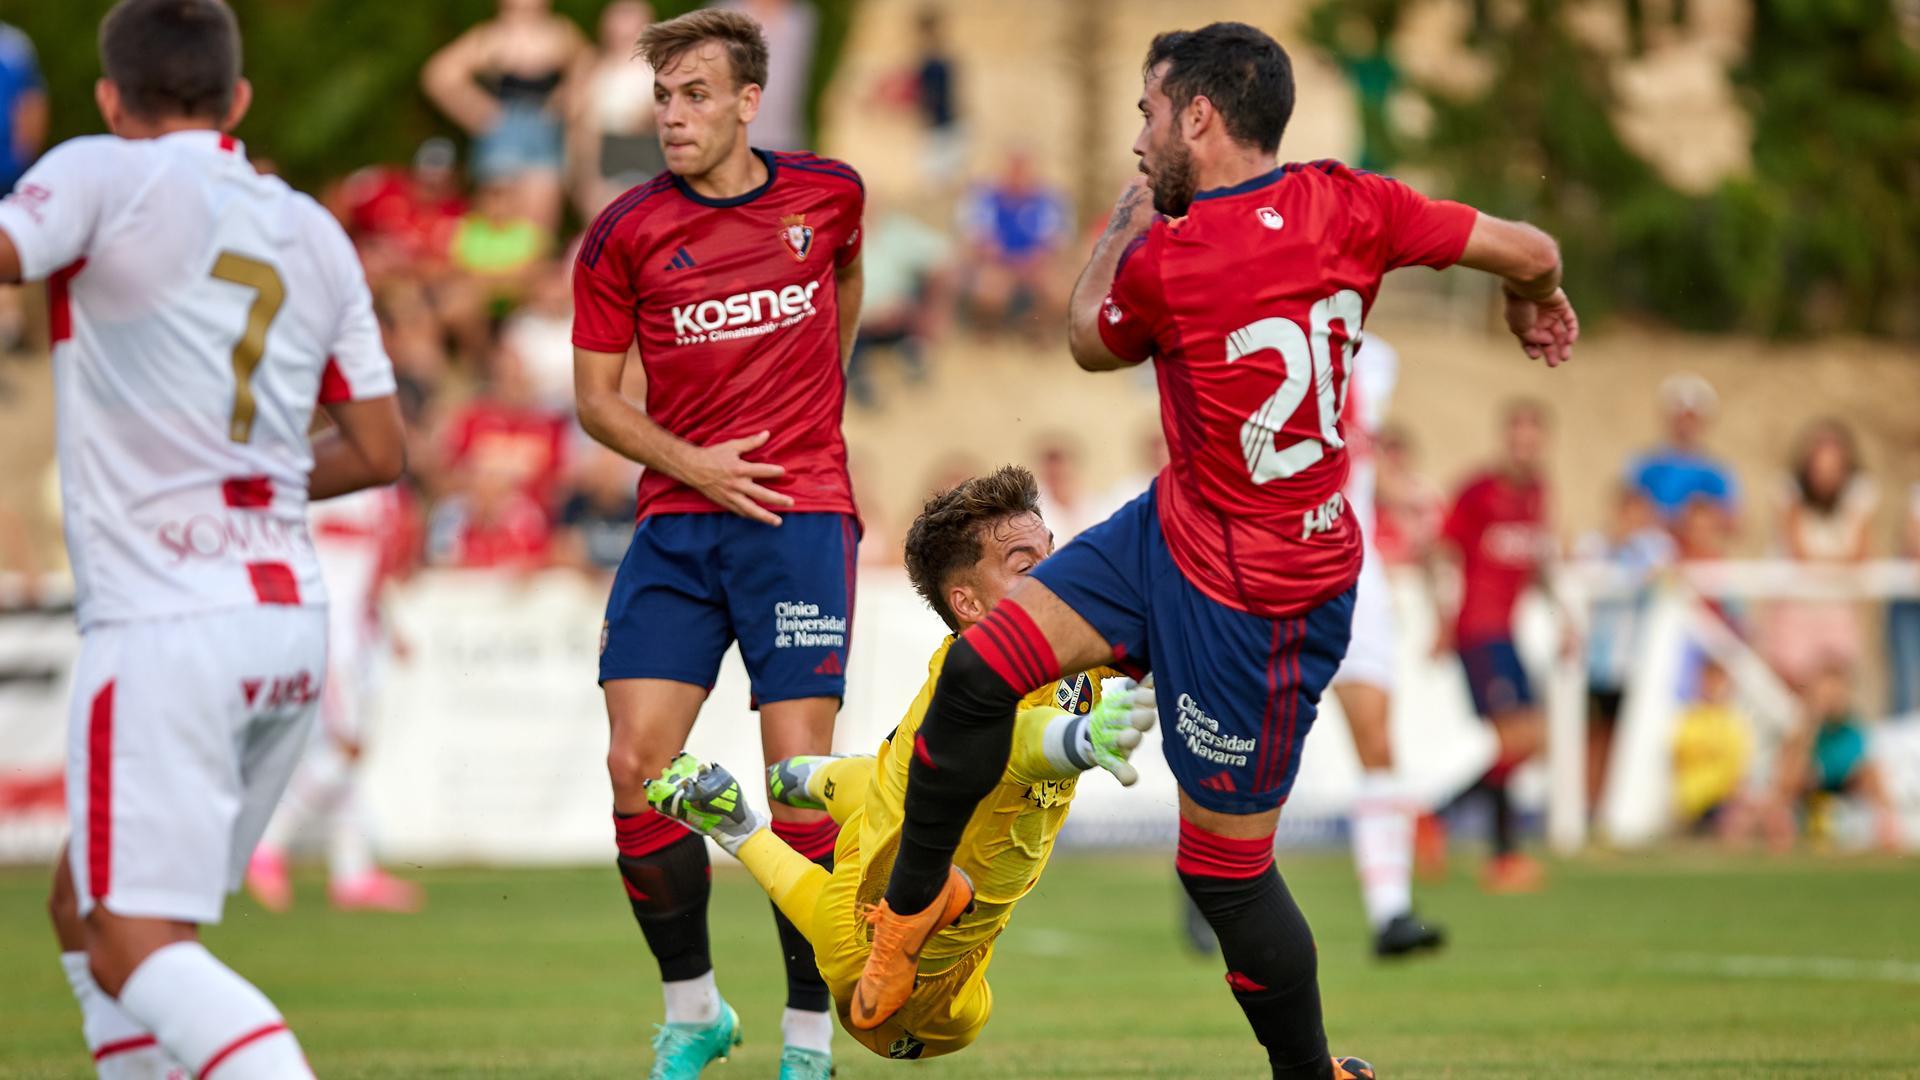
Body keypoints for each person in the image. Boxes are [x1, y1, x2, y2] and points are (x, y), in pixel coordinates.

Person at [855, 22, 1576, 1080]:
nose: (1139, 140)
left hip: (1263, 600)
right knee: (978, 674)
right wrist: (1533, 298)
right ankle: (913, 908)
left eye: (1149, 115)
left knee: (1224, 876)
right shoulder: (1357, 203)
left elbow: (1088, 337)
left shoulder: (1173, 256)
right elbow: (1535, 250)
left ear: (1199, 117)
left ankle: (1311, 1075)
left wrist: (1123, 220)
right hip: (1178, 526)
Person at [0, 2, 407, 1076]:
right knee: (85, 904)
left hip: (164, 622)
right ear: (238, 100)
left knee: (132, 941)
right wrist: (244, 477)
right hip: (284, 622)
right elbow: (379, 446)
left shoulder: (102, 171)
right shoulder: (311, 228)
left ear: (108, 98)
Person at [569, 11, 864, 1079]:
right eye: (663, 97)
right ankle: (694, 1010)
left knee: (799, 786)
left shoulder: (830, 195)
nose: (673, 115)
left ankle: (808, 1041)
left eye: (695, 94)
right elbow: (596, 401)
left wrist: (812, 411)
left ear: (749, 101)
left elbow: (845, 290)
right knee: (636, 767)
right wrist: (697, 464)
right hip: (679, 523)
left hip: (798, 518)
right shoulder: (624, 231)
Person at [646, 466, 1156, 1061]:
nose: (1057, 575)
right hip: (889, 915)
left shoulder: (1065, 636)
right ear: (968, 603)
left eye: (1054, 554)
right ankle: (747, 821)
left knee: (883, 805)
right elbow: (1016, 741)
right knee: (887, 976)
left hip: (904, 820)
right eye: (1027, 567)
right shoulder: (973, 680)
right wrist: (1081, 740)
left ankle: (812, 779)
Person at [247, 485, 424, 913]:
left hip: (357, 634)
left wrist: (388, 625)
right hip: (331, 633)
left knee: (351, 757)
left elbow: (367, 574)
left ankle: (353, 872)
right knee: (344, 749)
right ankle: (268, 842)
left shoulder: (379, 489)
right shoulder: (334, 482)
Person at [1327, 337, 1445, 956]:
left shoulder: (1371, 356)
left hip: (1354, 569)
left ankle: (1390, 911)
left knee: (1376, 740)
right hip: (1275, 563)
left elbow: (1364, 458)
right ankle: (1206, 882)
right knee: (1248, 735)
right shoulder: (1259, 326)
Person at [1429, 400, 1558, 893]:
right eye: (1517, 438)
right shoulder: (1478, 492)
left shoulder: (1538, 493)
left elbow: (1539, 561)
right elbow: (1442, 553)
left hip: (1507, 631)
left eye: (1532, 439)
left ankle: (1438, 821)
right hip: (1478, 631)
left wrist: (1564, 617)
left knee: (1528, 740)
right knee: (1514, 739)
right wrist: (1443, 619)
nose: (1524, 448)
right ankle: (1500, 855)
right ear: (1506, 440)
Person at [421, 0, 589, 233]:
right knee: (497, 223)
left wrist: (569, 99)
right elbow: (440, 74)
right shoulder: (491, 36)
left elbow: (587, 65)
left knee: (540, 228)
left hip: (544, 132)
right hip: (503, 134)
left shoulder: (560, 32)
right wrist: (474, 110)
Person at [1576, 483, 1675, 810]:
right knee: (1594, 734)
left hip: (1633, 661)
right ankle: (1588, 803)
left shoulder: (1653, 547)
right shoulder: (1595, 545)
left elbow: (1661, 573)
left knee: (1623, 737)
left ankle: (1612, 807)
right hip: (1597, 662)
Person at [1762, 418, 1876, 691]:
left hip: (1836, 607)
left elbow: (1860, 556)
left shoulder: (1859, 495)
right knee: (1791, 692)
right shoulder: (1790, 491)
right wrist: (1838, 563)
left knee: (1831, 692)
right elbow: (1799, 553)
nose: (1825, 476)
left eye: (1833, 467)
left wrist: (1823, 563)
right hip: (1795, 606)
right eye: (1820, 467)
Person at [568, 0, 663, 217]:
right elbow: (580, 126)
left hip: (650, 157)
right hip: (605, 156)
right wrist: (583, 177)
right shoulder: (592, 65)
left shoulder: (662, 68)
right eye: (620, 17)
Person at [958, 148, 1069, 334]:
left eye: (1024, 168)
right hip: (998, 264)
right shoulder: (985, 198)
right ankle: (989, 333)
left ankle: (1039, 331)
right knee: (989, 289)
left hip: (1036, 266)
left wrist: (1032, 261)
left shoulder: (1049, 200)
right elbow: (979, 239)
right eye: (1014, 168)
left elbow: (1055, 241)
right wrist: (1005, 259)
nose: (1018, 174)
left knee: (1060, 292)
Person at [1627, 373, 1738, 534]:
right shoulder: (1644, 465)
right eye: (1680, 418)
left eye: (1691, 419)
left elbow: (1733, 521)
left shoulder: (1717, 471)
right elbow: (1629, 512)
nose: (1685, 426)